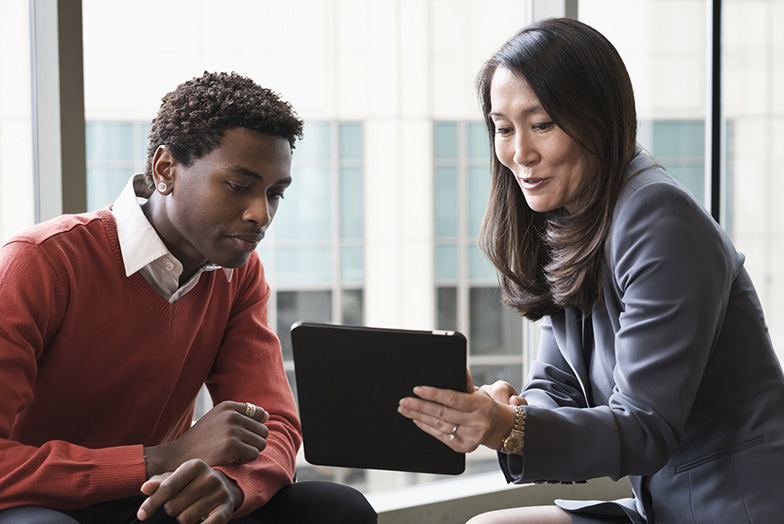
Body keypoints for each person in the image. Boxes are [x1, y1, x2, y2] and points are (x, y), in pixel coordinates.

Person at [398, 18, 784, 524]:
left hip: (734, 508)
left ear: (598, 119)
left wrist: (506, 427)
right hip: (663, 505)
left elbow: (646, 429)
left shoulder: (658, 219)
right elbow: (557, 382)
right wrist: (505, 407)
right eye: (503, 128)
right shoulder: (571, 216)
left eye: (541, 125)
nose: (520, 154)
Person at [0, 71, 376, 524]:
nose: (261, 214)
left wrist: (234, 486)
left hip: (148, 499)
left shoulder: (238, 274)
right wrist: (163, 457)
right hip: (35, 501)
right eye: (239, 186)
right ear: (165, 170)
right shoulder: (41, 262)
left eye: (275, 194)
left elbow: (274, 422)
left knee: (335, 509)